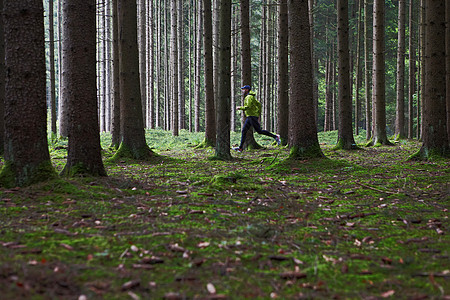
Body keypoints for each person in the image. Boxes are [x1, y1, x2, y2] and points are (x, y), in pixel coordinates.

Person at [233, 85, 280, 152]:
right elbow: (259, 105)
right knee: (244, 131)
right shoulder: (251, 96)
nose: (242, 91)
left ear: (247, 89)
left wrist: (240, 108)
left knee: (259, 131)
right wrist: (258, 114)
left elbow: (248, 106)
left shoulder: (249, 97)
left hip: (252, 116)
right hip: (250, 116)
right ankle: (240, 148)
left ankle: (275, 136)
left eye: (243, 89)